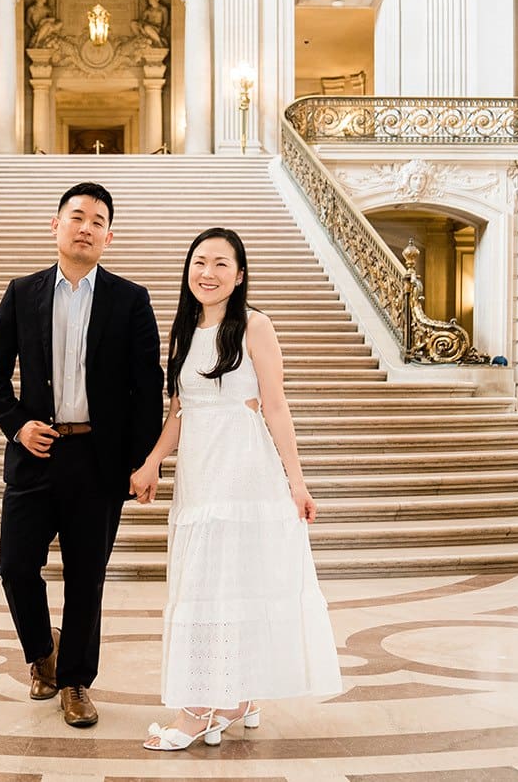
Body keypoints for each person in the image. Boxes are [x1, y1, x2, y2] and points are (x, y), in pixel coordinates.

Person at [130, 227, 342, 751]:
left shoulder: (254, 325)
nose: (208, 272)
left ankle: (199, 710)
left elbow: (276, 406)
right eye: (199, 262)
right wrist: (152, 462)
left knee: (226, 583)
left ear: (240, 274)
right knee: (207, 584)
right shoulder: (184, 329)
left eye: (221, 263)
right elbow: (180, 411)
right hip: (200, 475)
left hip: (245, 471)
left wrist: (297, 482)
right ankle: (236, 699)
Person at [0, 182, 164, 728]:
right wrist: (17, 426)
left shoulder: (130, 300)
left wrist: (143, 461)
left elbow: (147, 387)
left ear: (109, 236)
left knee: (87, 577)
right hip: (36, 455)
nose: (86, 227)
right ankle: (43, 653)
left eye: (97, 221)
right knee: (15, 566)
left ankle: (76, 681)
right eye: (77, 217)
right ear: (55, 225)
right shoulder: (22, 292)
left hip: (98, 461)